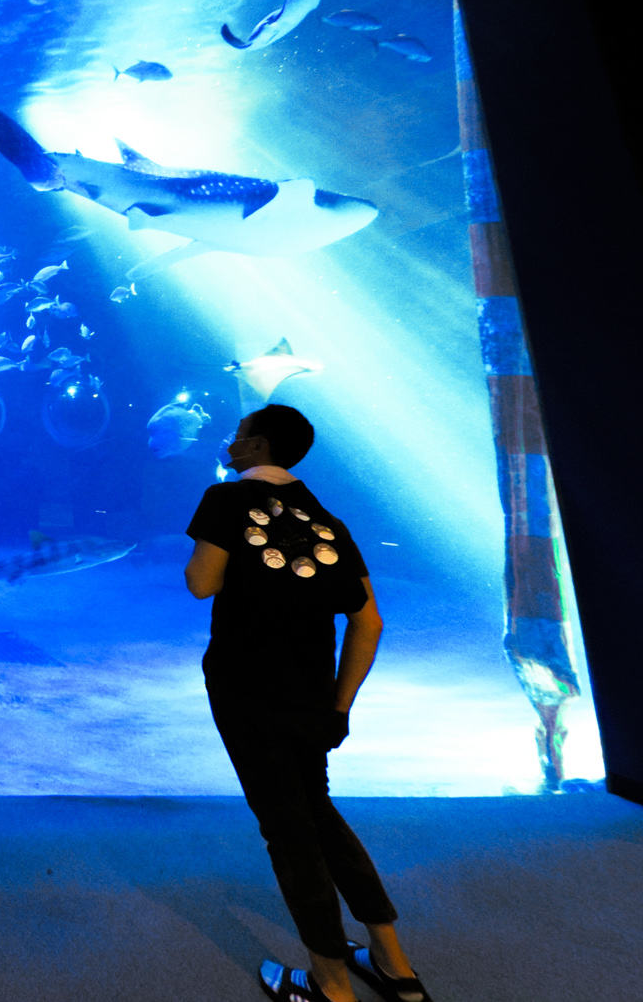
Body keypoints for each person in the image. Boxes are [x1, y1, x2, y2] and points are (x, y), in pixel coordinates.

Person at [184, 405, 433, 1002]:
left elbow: (201, 583)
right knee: (316, 813)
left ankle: (330, 984)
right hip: (313, 696)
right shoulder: (329, 521)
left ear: (257, 446)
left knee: (289, 832)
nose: (231, 442)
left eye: (239, 435)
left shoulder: (225, 499)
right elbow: (368, 622)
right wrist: (339, 707)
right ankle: (394, 965)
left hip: (246, 690)